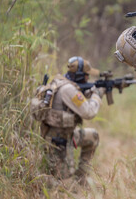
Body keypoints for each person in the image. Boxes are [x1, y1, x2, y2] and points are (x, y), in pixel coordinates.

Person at [30, 56, 105, 186]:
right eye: (86, 76)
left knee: (93, 136)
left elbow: (75, 97)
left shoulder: (60, 81)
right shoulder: (69, 89)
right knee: (65, 186)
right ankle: (37, 180)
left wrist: (90, 92)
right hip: (58, 143)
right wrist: (96, 96)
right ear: (80, 75)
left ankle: (82, 178)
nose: (88, 78)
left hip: (66, 135)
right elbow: (89, 112)